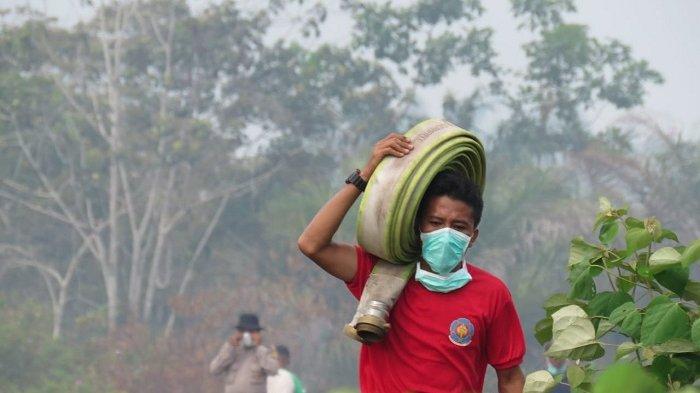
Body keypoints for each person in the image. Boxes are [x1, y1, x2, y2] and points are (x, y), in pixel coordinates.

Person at [298, 133, 526, 392]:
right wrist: (366, 174)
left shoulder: (492, 293)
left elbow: (510, 378)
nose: (446, 233)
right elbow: (311, 244)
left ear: (472, 236)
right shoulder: (381, 274)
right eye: (436, 223)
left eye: (459, 226)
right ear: (419, 225)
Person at [209, 313, 278, 393]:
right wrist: (230, 347)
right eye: (243, 331)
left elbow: (274, 370)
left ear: (258, 332)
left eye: (251, 331)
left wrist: (259, 347)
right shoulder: (231, 349)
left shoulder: (265, 350)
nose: (247, 335)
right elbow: (214, 369)